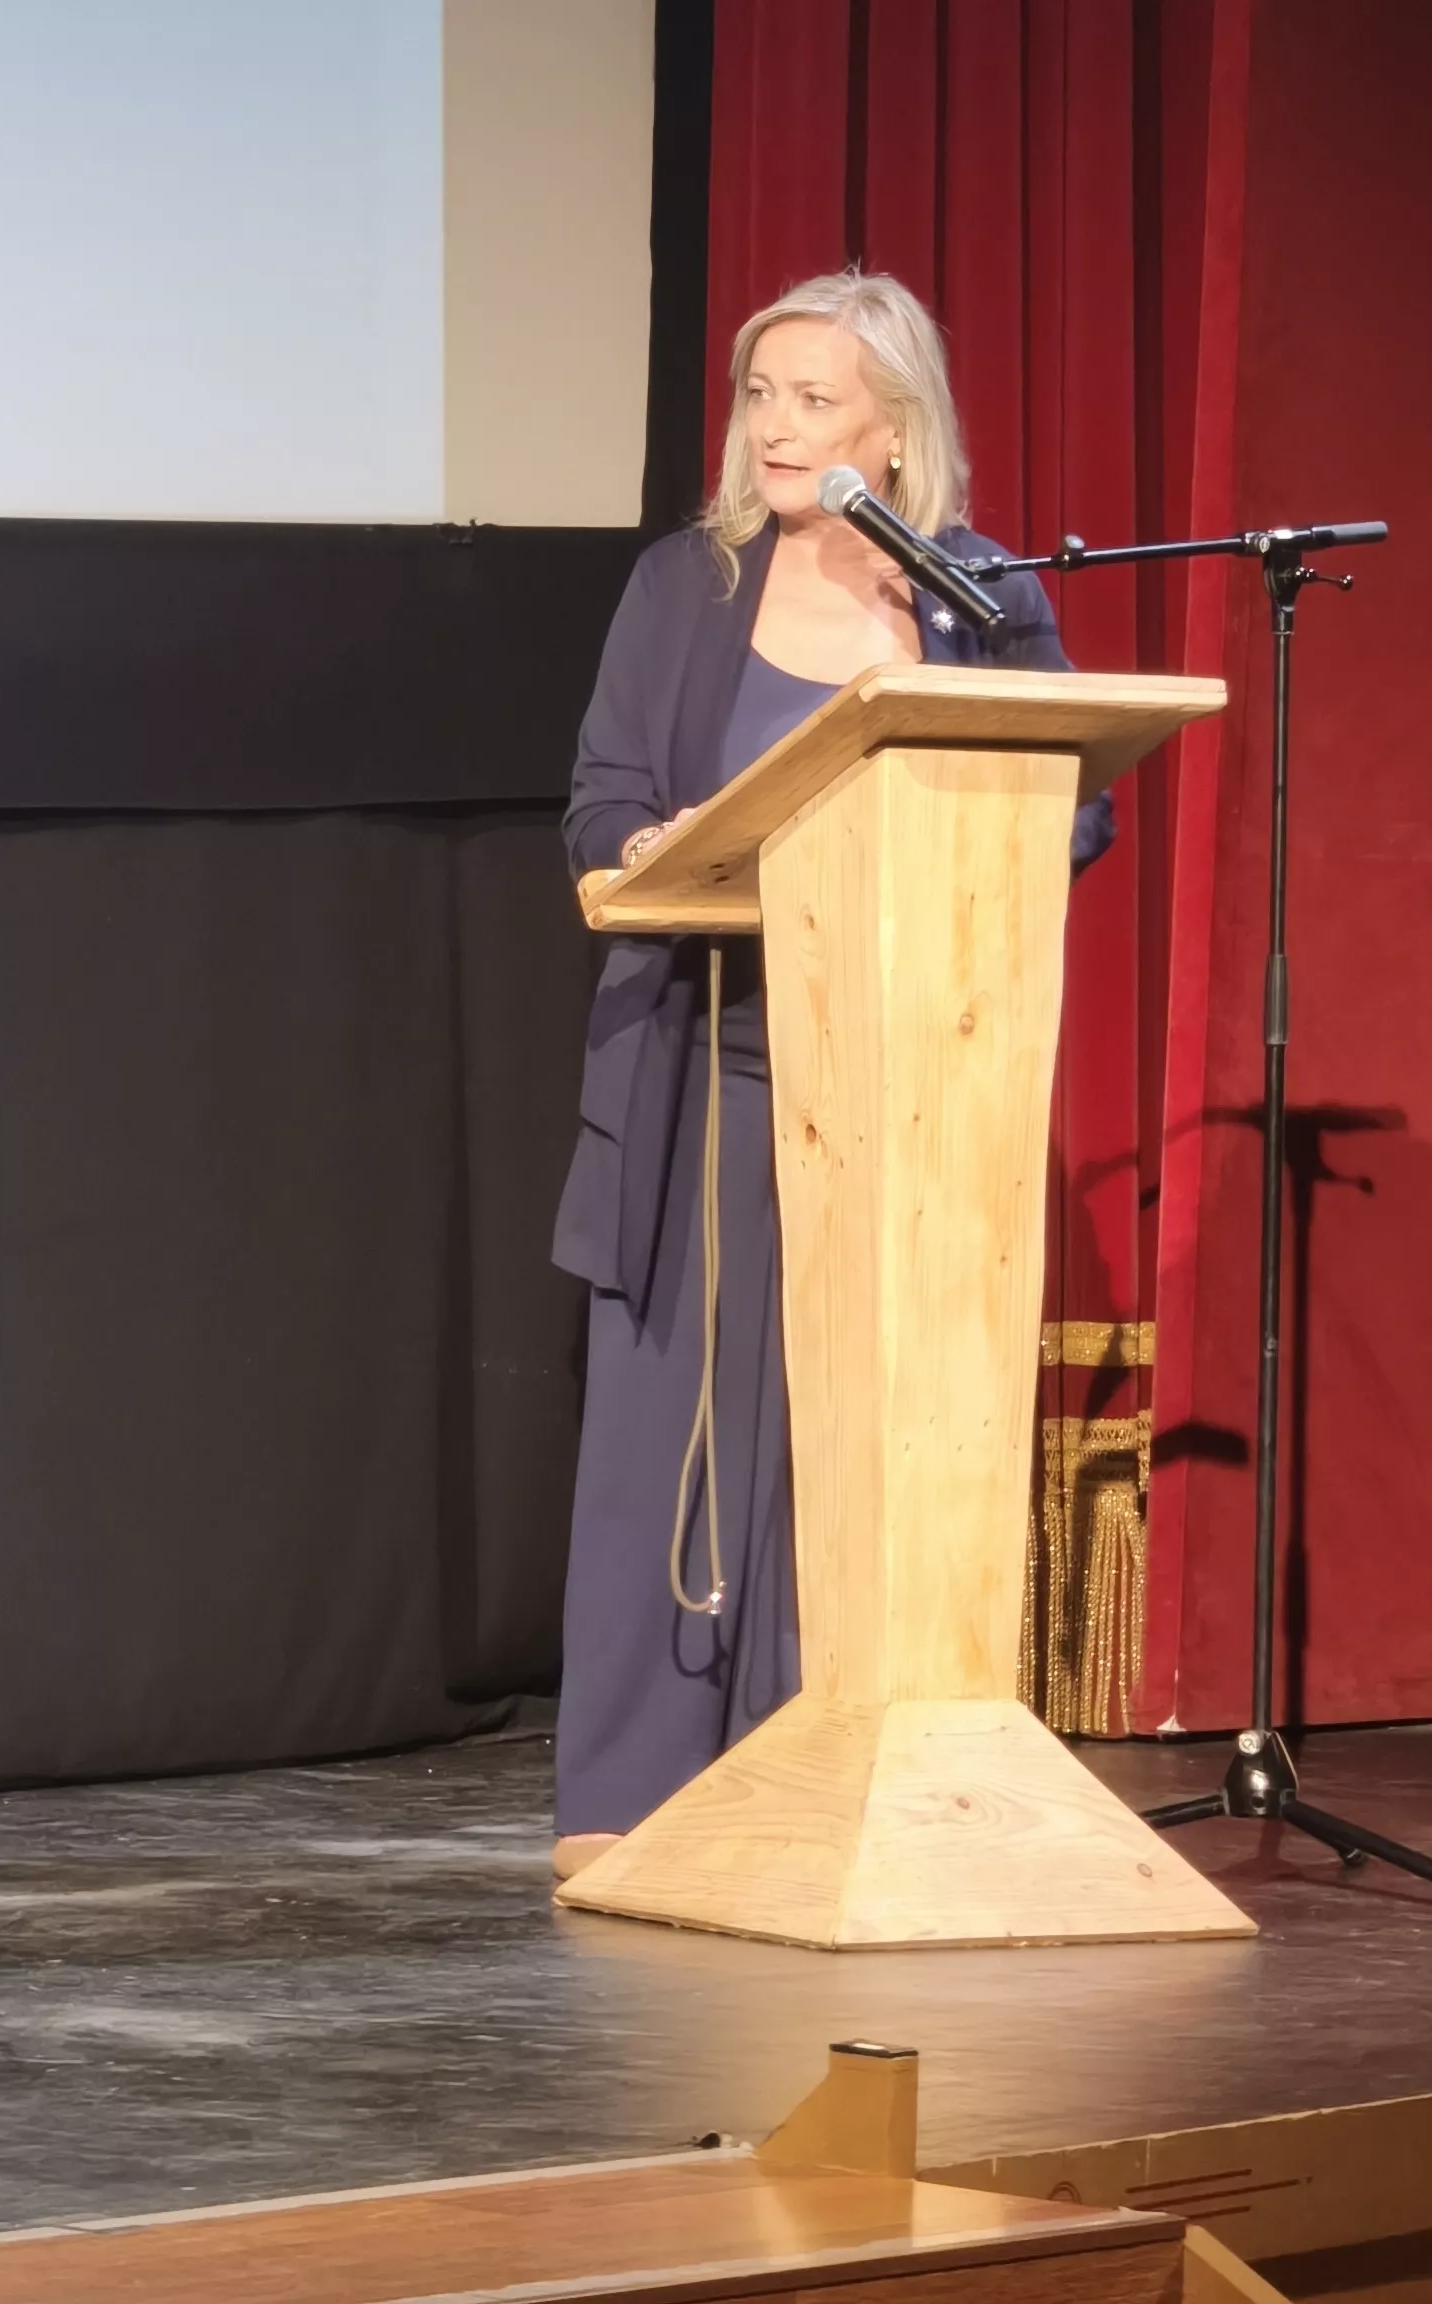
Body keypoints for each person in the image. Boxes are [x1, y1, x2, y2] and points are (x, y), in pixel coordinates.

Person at [547, 270, 1109, 1880]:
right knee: (674, 1429)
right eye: (761, 395)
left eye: (814, 399)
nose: (777, 427)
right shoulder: (688, 584)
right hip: (706, 1055)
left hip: (905, 1076)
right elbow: (600, 801)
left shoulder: (979, 596)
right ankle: (628, 1802)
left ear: (895, 424)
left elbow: (1065, 808)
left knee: (851, 1438)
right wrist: (645, 847)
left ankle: (823, 1774)